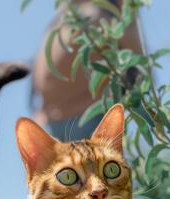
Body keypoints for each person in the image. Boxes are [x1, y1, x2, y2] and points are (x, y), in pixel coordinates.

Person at [32, 0, 144, 141]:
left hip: (89, 119)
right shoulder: (64, 12)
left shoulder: (110, 9)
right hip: (47, 122)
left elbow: (138, 62)